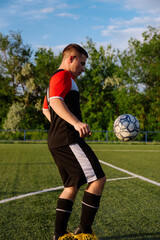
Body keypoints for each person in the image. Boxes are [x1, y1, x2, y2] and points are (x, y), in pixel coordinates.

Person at [42, 44, 106, 240]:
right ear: (71, 58)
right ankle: (85, 232)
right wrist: (75, 123)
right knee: (97, 179)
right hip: (68, 140)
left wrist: (60, 125)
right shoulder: (62, 76)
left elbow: (45, 108)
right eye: (82, 63)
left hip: (59, 139)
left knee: (71, 186)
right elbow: (54, 102)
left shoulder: (56, 79)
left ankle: (59, 235)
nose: (84, 68)